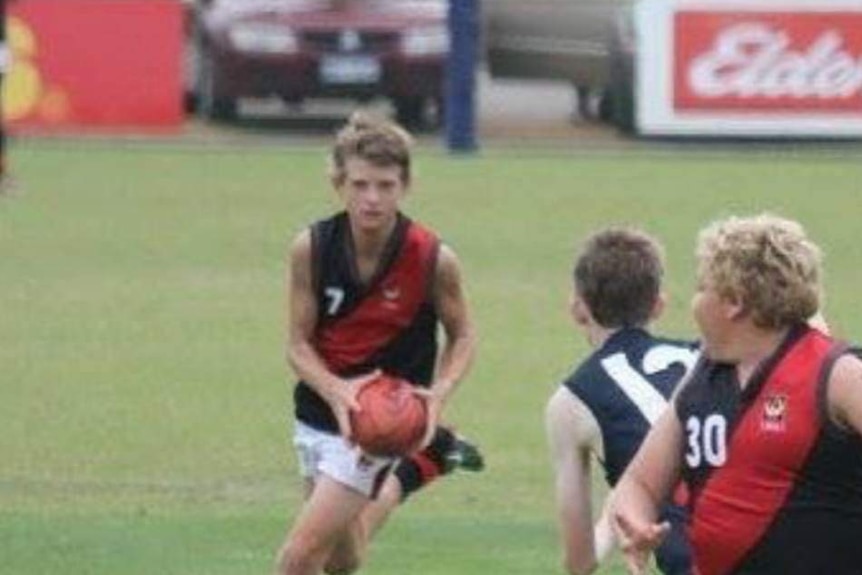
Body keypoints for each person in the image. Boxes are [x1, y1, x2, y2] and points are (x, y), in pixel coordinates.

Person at [277, 111, 482, 575]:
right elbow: (297, 346)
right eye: (361, 184)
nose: (372, 199)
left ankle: (413, 454)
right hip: (317, 414)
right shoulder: (310, 248)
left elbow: (464, 334)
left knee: (298, 559)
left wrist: (439, 394)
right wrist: (336, 391)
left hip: (377, 424)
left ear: (405, 186)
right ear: (339, 183)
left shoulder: (433, 259)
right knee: (341, 560)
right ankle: (419, 466)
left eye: (386, 186)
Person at [611, 213, 862, 575]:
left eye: (702, 288)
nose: (693, 302)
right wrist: (635, 521)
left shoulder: (836, 374)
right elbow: (639, 483)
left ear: (734, 302)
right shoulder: (700, 379)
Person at [546, 228, 698, 575]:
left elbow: (580, 561)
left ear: (577, 308)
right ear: (658, 303)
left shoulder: (570, 402)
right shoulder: (706, 357)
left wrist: (621, 506)